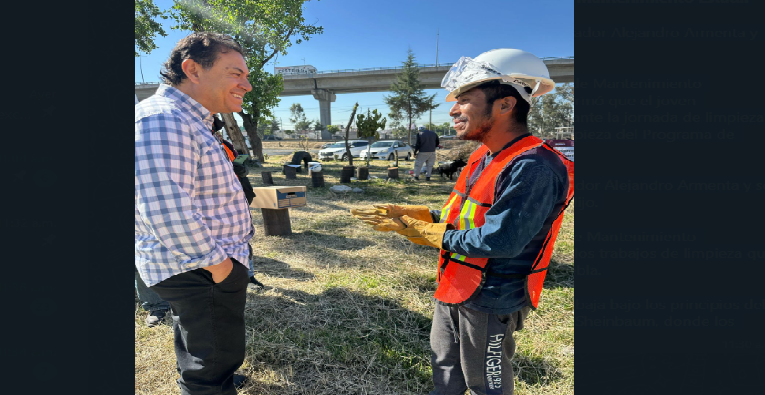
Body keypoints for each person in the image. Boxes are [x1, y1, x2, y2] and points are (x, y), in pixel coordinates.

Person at [351, 49, 574, 395]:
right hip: (454, 285)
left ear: (504, 105)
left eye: (465, 100)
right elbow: (463, 219)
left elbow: (501, 240)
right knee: (444, 371)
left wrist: (432, 233)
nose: (452, 109)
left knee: (486, 383)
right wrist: (418, 217)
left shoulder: (534, 167)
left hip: (490, 298)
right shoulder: (482, 157)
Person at [135, 32, 255, 395]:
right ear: (192, 69)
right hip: (201, 268)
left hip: (200, 266)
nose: (246, 85)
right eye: (236, 73)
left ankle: (209, 377)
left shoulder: (187, 119)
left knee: (205, 345)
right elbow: (166, 209)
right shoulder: (164, 120)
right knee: (211, 363)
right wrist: (220, 267)